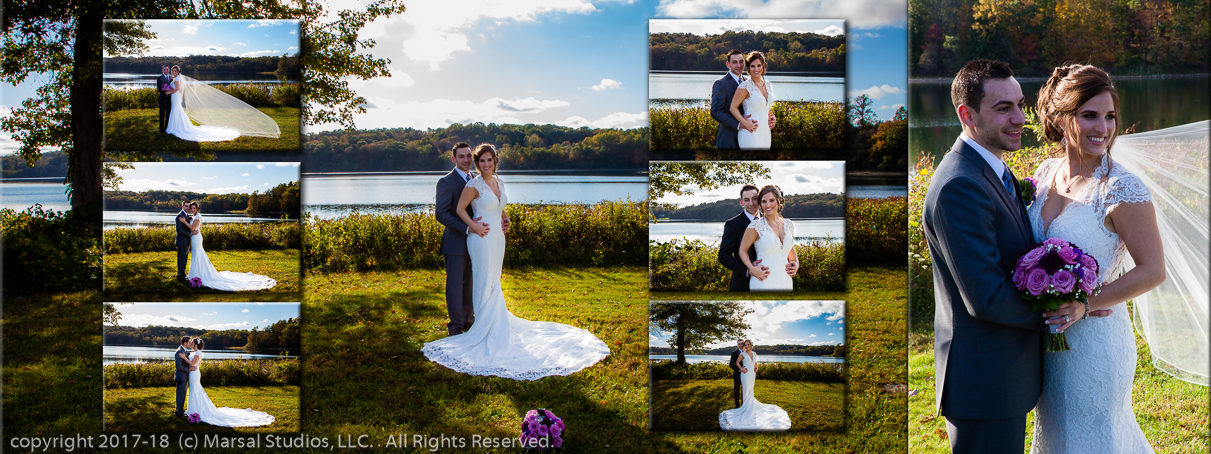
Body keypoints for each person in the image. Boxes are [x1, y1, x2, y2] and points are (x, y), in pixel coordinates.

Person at [921, 59, 1093, 454]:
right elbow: (988, 298)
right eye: (1003, 108)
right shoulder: (959, 186)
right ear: (968, 114)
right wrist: (1067, 309)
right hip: (984, 384)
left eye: (1020, 104)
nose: (1020, 119)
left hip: (1003, 377)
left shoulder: (991, 170)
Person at [1027, 64, 1166, 453]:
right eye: (1089, 115)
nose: (1102, 128)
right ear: (1060, 118)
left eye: (1109, 116)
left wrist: (1085, 304)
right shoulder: (1045, 174)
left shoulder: (1121, 187)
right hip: (1048, 345)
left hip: (1096, 345)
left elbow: (1153, 270)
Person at [421, 144, 609, 380]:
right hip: (473, 238)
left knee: (485, 281)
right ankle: (463, 327)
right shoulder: (465, 183)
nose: (481, 163)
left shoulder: (494, 181)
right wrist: (473, 227)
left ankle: (477, 320)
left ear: (494, 161)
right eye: (478, 160)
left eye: (482, 159)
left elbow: (496, 205)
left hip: (495, 238)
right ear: (455, 159)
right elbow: (452, 211)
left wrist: (505, 218)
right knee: (466, 282)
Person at [180, 339, 275, 427]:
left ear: (196, 344)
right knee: (195, 391)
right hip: (193, 373)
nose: (190, 343)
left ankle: (196, 411)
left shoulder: (198, 352)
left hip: (194, 374)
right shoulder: (195, 352)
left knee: (195, 391)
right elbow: (195, 364)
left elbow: (193, 364)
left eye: (192, 342)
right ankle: (194, 410)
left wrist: (184, 358)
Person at [184, 202, 277, 291]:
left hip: (196, 238)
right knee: (197, 255)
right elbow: (198, 228)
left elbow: (193, 228)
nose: (192, 209)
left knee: (197, 255)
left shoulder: (198, 216)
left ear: (197, 209)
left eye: (194, 208)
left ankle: (198, 275)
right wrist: (192, 229)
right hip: (195, 237)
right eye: (191, 208)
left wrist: (184, 222)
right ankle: (197, 274)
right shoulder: (195, 217)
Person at [718, 340, 791, 431]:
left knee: (750, 390)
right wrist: (741, 369)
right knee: (746, 389)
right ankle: (745, 408)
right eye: (746, 345)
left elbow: (755, 362)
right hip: (745, 374)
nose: (747, 346)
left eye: (748, 345)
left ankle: (749, 406)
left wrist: (756, 367)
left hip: (752, 374)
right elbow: (737, 363)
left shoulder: (755, 353)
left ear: (751, 345)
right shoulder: (743, 354)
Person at [739, 185, 798, 291]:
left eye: (771, 200)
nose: (768, 205)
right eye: (764, 201)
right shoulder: (756, 226)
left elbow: (788, 247)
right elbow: (742, 250)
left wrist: (796, 263)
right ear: (760, 204)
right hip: (763, 280)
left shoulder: (789, 224)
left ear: (779, 201)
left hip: (785, 280)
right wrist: (751, 268)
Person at [164, 66, 242, 142]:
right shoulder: (177, 78)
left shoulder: (177, 78)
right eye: (172, 71)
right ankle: (177, 126)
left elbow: (177, 89)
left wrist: (169, 92)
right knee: (177, 109)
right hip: (176, 96)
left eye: (175, 71)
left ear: (178, 72)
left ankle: (176, 127)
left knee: (176, 109)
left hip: (175, 96)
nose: (173, 72)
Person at [718, 185, 764, 291]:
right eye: (747, 200)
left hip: (769, 282)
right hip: (743, 284)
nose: (751, 203)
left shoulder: (769, 221)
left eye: (754, 198)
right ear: (742, 202)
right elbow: (723, 256)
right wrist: (748, 270)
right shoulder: (733, 224)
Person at [729, 51, 776, 150]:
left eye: (759, 65)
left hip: (765, 132)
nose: (756, 69)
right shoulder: (745, 86)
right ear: (748, 68)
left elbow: (765, 105)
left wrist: (772, 116)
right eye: (752, 66)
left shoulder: (767, 84)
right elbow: (733, 107)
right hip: (750, 132)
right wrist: (744, 123)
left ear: (763, 66)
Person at [173, 336, 194, 418]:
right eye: (189, 342)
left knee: (183, 394)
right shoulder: (179, 352)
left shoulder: (184, 351)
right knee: (180, 394)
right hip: (181, 377)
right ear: (185, 343)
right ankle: (179, 412)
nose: (190, 344)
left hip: (184, 376)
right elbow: (178, 366)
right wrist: (189, 369)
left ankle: (181, 410)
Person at [175, 200, 194, 283]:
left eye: (189, 206)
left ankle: (182, 274)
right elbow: (179, 230)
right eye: (186, 206)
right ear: (183, 206)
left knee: (184, 259)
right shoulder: (180, 216)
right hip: (182, 242)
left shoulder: (185, 215)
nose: (188, 208)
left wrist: (191, 218)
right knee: (181, 259)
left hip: (185, 242)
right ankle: (180, 276)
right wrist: (190, 233)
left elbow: (187, 221)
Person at [727, 339, 746, 408]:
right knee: (737, 390)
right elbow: (731, 364)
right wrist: (739, 369)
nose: (741, 345)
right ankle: (737, 405)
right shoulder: (734, 353)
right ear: (737, 345)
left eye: (742, 343)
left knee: (744, 389)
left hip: (746, 375)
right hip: (737, 374)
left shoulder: (747, 352)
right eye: (739, 344)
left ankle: (744, 404)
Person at [157, 64, 173, 135]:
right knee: (162, 113)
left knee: (168, 113)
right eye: (164, 69)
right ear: (162, 70)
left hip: (170, 99)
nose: (166, 71)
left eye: (167, 69)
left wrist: (170, 92)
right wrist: (165, 92)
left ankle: (167, 126)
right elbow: (159, 89)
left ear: (169, 70)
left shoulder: (171, 78)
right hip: (163, 98)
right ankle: (161, 127)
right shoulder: (159, 78)